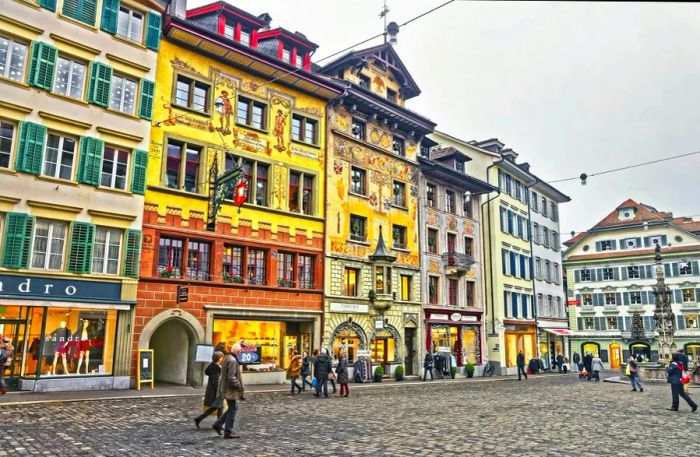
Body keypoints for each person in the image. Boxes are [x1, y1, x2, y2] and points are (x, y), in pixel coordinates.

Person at [212, 344, 245, 439]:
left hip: (226, 388)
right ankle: (228, 431)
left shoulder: (227, 358)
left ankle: (218, 424)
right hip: (230, 389)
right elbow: (231, 377)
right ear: (238, 352)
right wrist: (239, 386)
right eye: (240, 352)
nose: (240, 353)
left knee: (232, 408)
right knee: (233, 409)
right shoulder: (232, 360)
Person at [194, 351, 224, 428]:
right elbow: (216, 382)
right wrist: (220, 391)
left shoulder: (214, 366)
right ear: (219, 358)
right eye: (221, 357)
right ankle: (219, 425)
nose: (222, 358)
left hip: (214, 391)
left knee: (217, 407)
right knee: (219, 406)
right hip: (215, 392)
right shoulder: (215, 369)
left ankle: (199, 419)